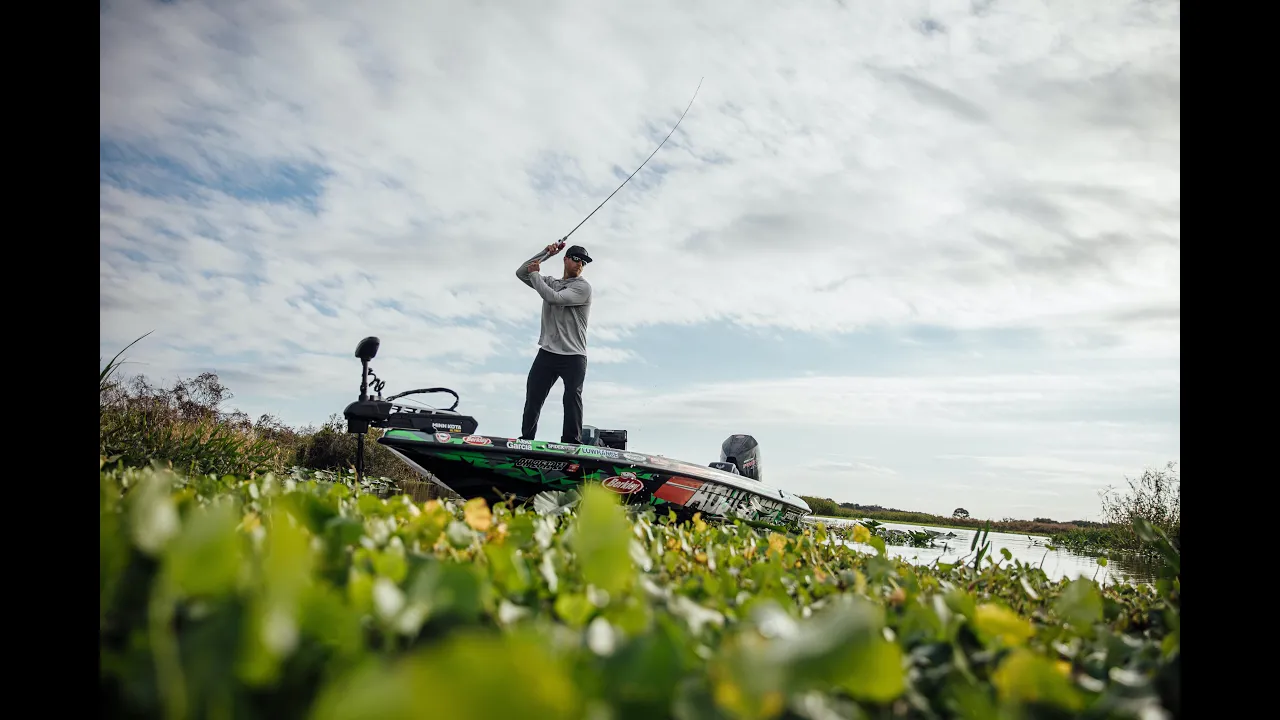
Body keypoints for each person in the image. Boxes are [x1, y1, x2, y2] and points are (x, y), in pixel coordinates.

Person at [514, 241, 593, 443]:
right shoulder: (551, 282)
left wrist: (535, 274)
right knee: (534, 397)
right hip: (548, 352)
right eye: (576, 259)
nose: (580, 264)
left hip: (574, 355)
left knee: (572, 397)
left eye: (583, 262)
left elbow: (554, 298)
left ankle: (571, 443)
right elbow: (521, 272)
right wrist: (546, 254)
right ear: (565, 259)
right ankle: (526, 440)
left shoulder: (582, 287)